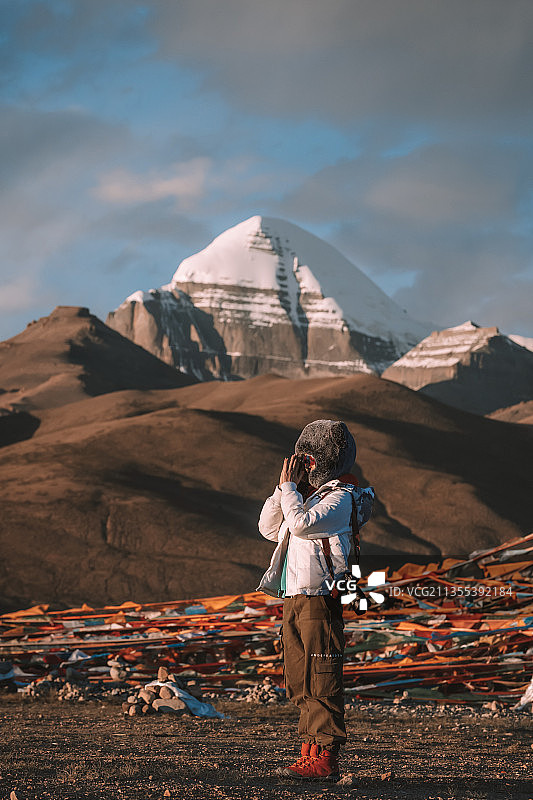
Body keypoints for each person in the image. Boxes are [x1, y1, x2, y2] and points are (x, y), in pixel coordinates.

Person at [257, 419, 374, 781]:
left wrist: (291, 487)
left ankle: (325, 757)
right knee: (300, 677)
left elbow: (303, 524)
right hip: (294, 597)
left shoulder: (341, 498)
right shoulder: (306, 497)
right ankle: (309, 750)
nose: (303, 465)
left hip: (322, 598)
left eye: (309, 460)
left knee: (322, 677)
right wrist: (284, 489)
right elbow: (269, 528)